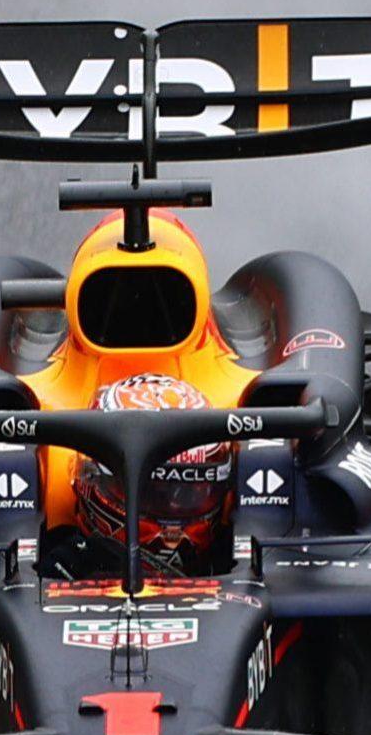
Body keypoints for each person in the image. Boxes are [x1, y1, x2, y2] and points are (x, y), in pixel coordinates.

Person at [24, 211, 255, 577]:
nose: (173, 525)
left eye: (191, 494)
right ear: (95, 482)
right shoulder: (61, 562)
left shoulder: (240, 404)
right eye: (156, 493)